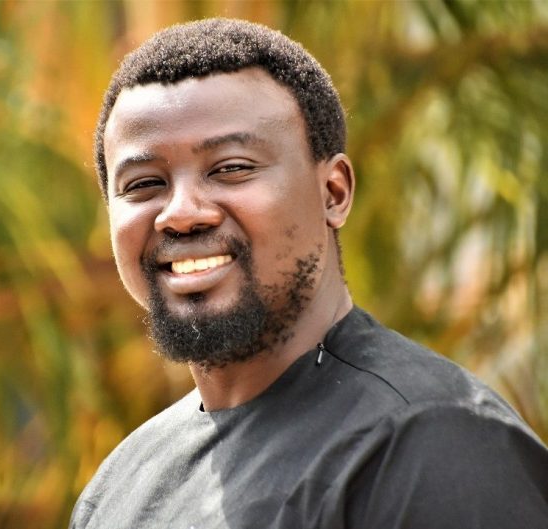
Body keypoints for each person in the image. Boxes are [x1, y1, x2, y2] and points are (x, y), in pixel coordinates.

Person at [70, 18, 548, 529]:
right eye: (144, 184)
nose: (182, 213)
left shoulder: (432, 445)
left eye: (231, 168)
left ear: (333, 193)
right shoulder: (119, 489)